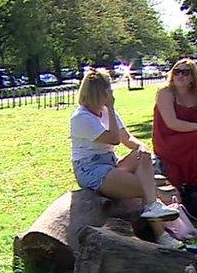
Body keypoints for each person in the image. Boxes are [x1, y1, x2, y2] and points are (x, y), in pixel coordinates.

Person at [70, 69, 184, 248]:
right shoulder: (81, 117)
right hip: (91, 169)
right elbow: (114, 139)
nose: (112, 94)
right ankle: (161, 233)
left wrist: (141, 147)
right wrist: (112, 108)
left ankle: (153, 208)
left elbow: (126, 138)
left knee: (143, 156)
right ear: (99, 93)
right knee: (146, 188)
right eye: (108, 91)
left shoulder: (106, 111)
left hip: (110, 161)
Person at [152, 58, 197, 190]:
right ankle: (195, 183)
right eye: (177, 71)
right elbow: (172, 123)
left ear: (193, 77)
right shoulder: (165, 92)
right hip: (167, 139)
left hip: (191, 136)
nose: (180, 75)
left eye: (185, 72)